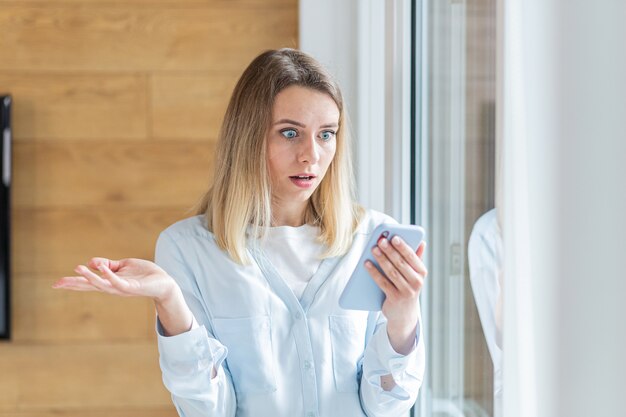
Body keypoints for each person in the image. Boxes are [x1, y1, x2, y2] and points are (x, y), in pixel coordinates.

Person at [53, 48, 427, 417]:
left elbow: (386, 406)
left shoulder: (373, 240)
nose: (310, 155)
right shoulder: (187, 249)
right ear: (249, 136)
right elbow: (210, 411)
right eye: (290, 133)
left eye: (326, 134)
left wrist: (403, 320)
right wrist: (170, 303)